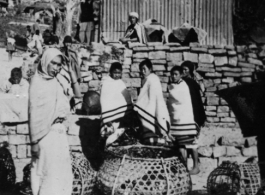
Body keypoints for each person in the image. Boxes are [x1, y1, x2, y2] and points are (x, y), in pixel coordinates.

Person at [29, 48, 81, 195]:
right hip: (44, 136)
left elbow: (77, 96)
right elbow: (33, 113)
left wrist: (71, 73)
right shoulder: (37, 82)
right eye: (54, 64)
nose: (57, 68)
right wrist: (33, 143)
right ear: (45, 62)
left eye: (59, 65)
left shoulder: (58, 80)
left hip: (59, 133)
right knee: (48, 175)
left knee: (62, 175)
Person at [167, 66, 203, 175]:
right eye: (172, 74)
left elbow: (183, 100)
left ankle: (196, 167)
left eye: (176, 74)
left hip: (186, 118)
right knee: (181, 144)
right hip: (176, 120)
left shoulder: (184, 85)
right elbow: (171, 103)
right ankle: (184, 167)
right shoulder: (171, 86)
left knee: (192, 144)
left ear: (181, 75)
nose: (173, 76)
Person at [134, 59, 172, 146]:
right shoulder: (148, 79)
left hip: (153, 107)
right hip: (151, 107)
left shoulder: (152, 79)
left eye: (144, 69)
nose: (143, 71)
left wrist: (143, 106)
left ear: (150, 69)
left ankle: (161, 141)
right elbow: (145, 96)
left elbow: (154, 97)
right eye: (141, 69)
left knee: (152, 126)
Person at [100, 62, 134, 146]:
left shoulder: (120, 83)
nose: (117, 75)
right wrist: (107, 118)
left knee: (123, 131)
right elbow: (104, 100)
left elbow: (126, 98)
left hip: (120, 117)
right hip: (109, 119)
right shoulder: (106, 83)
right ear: (111, 72)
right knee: (107, 133)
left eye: (119, 73)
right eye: (115, 73)